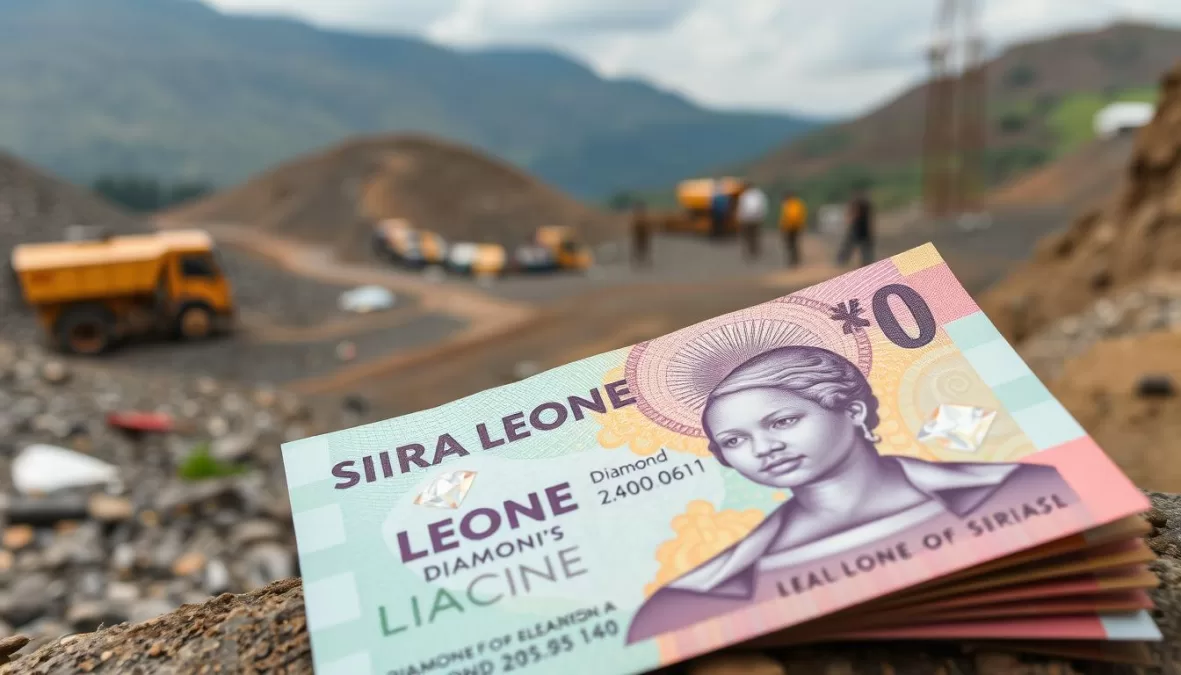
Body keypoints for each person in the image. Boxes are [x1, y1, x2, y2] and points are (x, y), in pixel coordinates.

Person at [625, 345, 1075, 644]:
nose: (763, 449)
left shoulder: (1024, 489)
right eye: (735, 441)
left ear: (853, 410)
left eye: (782, 421)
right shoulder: (695, 599)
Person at [837, 189, 874, 266]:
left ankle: (842, 260)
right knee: (856, 246)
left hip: (859, 228)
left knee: (853, 246)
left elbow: (853, 215)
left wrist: (850, 220)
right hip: (861, 228)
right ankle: (842, 260)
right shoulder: (865, 204)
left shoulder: (858, 204)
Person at [736, 182, 767, 260]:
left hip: (747, 219)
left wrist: (739, 217)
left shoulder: (744, 195)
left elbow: (741, 207)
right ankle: (754, 250)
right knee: (755, 235)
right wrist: (762, 216)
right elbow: (763, 206)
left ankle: (751, 250)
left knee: (748, 236)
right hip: (756, 218)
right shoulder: (759, 194)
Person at [779, 191, 807, 267]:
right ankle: (795, 259)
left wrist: (782, 227)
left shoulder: (787, 205)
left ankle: (793, 260)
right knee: (794, 244)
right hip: (796, 227)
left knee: (790, 244)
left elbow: (784, 217)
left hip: (789, 228)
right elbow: (802, 215)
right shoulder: (798, 204)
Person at [630, 200, 652, 268]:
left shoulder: (641, 217)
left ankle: (642, 259)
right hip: (639, 233)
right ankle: (639, 259)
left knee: (643, 246)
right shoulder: (637, 217)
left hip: (643, 233)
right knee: (639, 246)